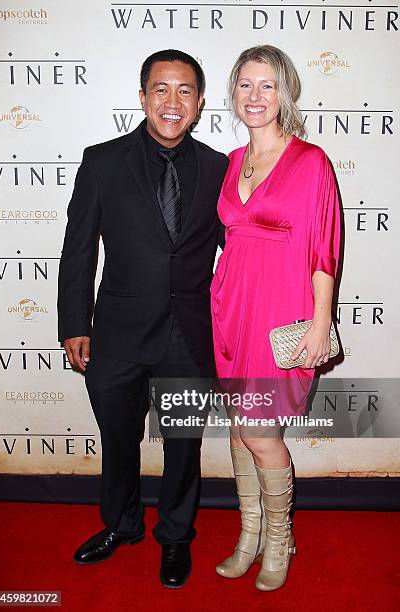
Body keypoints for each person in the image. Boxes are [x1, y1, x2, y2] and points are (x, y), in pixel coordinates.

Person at [57, 49, 228, 588]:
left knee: (183, 444)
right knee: (117, 437)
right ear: (142, 97)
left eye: (184, 92)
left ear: (199, 103)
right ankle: (122, 525)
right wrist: (73, 324)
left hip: (189, 332)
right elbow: (78, 249)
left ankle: (175, 537)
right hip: (119, 333)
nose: (171, 102)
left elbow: (240, 252)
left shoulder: (221, 168)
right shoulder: (102, 161)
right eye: (161, 89)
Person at [211, 45, 341, 591]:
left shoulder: (311, 162)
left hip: (279, 311)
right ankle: (249, 536)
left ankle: (280, 541)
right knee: (240, 433)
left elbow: (324, 248)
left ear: (285, 92)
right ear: (233, 93)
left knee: (261, 432)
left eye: (266, 85)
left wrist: (319, 322)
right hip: (230, 308)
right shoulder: (233, 162)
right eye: (245, 84)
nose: (255, 96)